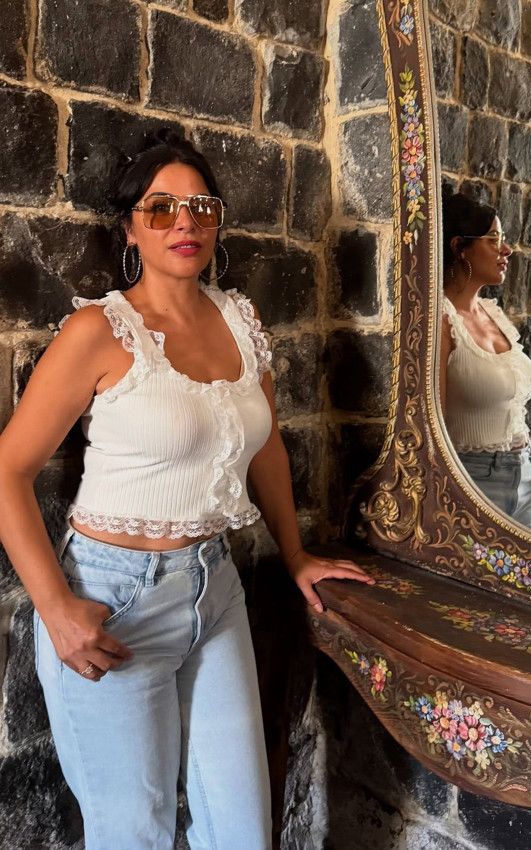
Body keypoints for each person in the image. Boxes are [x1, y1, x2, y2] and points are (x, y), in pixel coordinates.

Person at [0, 129, 373, 850]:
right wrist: (57, 610)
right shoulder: (100, 331)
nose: (185, 223)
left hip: (214, 590)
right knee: (132, 835)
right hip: (115, 602)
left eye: (202, 207)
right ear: (131, 227)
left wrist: (294, 553)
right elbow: (8, 470)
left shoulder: (240, 320)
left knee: (242, 831)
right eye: (162, 207)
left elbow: (265, 445)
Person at [439, 192, 531, 532]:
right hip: (473, 483)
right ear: (459, 247)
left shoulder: (493, 314)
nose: (506, 249)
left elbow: (510, 404)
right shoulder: (440, 321)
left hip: (526, 481)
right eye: (493, 239)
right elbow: (433, 425)